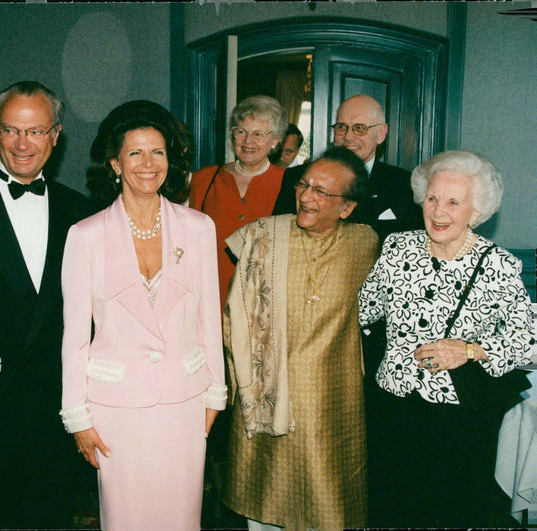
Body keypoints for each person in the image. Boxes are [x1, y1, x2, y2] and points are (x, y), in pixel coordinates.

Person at [61, 100, 226, 531]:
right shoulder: (86, 236)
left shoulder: (198, 227)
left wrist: (215, 392)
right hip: (116, 408)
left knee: (181, 517)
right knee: (126, 518)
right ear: (115, 164)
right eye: (135, 153)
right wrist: (76, 416)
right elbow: (75, 337)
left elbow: (209, 318)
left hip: (184, 401)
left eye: (158, 152)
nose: (148, 164)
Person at [358, 150, 534, 527]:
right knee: (389, 506)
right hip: (393, 406)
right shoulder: (397, 248)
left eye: (454, 202)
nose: (438, 212)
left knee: (450, 511)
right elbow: (362, 310)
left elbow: (530, 340)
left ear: (476, 211)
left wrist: (471, 350)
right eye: (432, 198)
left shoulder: (497, 265)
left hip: (459, 418)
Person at [0, 81, 91, 528]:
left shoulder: (81, 213)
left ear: (56, 135)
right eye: (10, 130)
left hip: (57, 410)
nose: (21, 144)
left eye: (35, 131)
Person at [222, 146, 377, 530]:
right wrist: (244, 381)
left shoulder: (365, 244)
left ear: (347, 207)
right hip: (266, 393)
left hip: (332, 399)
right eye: (304, 185)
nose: (307, 196)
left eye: (322, 192)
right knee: (264, 494)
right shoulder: (262, 236)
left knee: (328, 499)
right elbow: (233, 316)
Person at [276, 94, 421, 242]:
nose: (348, 137)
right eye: (341, 127)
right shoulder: (296, 178)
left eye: (359, 128)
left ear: (381, 133)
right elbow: (277, 237)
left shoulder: (403, 184)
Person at [188, 95, 288, 309]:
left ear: (276, 140)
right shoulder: (204, 179)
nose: (248, 141)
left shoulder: (288, 184)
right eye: (241, 131)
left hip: (265, 301)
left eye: (258, 134)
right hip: (211, 297)